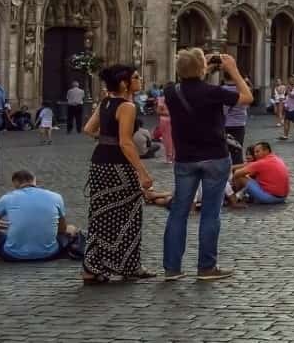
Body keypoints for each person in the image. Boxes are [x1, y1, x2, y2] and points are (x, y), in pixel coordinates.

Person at [162, 49, 252, 282]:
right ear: (201, 69)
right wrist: (232, 70)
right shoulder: (214, 92)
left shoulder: (171, 91)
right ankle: (206, 267)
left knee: (179, 213)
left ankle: (172, 268)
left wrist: (203, 65)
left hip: (185, 159)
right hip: (214, 156)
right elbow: (247, 97)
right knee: (210, 214)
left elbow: (190, 78)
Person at [82, 64, 157, 283]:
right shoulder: (127, 107)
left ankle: (92, 267)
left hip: (99, 163)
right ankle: (128, 265)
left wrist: (104, 140)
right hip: (118, 166)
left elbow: (88, 129)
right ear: (125, 83)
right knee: (130, 215)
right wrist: (142, 172)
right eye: (135, 77)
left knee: (99, 215)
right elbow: (126, 142)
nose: (139, 79)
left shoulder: (105, 102)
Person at [0, 170, 83, 262]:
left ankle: (15, 249)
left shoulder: (7, 198)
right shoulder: (56, 196)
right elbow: (62, 229)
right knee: (71, 228)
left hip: (12, 255)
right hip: (50, 254)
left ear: (15, 183)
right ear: (34, 180)